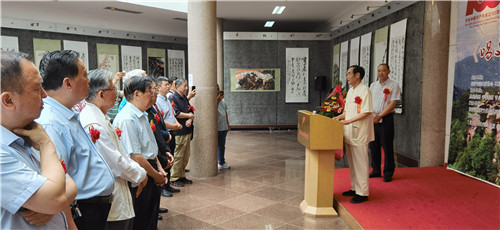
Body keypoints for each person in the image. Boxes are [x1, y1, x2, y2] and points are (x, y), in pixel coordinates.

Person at [36, 50, 115, 229]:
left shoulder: (66, 114)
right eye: (85, 74)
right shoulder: (52, 122)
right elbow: (57, 181)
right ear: (68, 83)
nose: (89, 80)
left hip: (91, 207)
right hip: (81, 210)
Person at [1, 51, 78, 229]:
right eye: (37, 88)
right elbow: (57, 198)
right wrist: (46, 144)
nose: (44, 94)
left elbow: (70, 185)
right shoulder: (37, 139)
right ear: (9, 100)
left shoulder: (30, 132)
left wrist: (49, 205)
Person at [79, 69, 148, 230]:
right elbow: (115, 162)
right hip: (110, 197)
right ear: (101, 94)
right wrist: (140, 174)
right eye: (113, 89)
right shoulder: (93, 123)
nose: (117, 93)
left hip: (118, 191)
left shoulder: (99, 116)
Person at [113, 76, 167, 230]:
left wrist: (160, 169)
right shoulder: (127, 119)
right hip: (142, 172)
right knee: (142, 219)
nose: (154, 95)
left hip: (151, 167)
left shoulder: (142, 114)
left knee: (151, 216)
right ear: (137, 94)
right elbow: (135, 156)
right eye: (151, 92)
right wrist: (155, 175)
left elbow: (149, 147)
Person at [333, 65, 374, 204]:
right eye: (347, 74)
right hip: (349, 131)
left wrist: (349, 120)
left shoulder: (365, 90)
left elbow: (367, 111)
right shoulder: (350, 91)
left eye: (349, 74)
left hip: (359, 131)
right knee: (352, 162)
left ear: (358, 75)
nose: (347, 77)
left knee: (361, 163)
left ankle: (362, 193)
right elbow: (349, 111)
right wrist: (339, 118)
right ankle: (354, 187)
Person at [369, 64, 401, 182]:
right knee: (373, 145)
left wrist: (380, 116)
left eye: (383, 70)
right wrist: (373, 115)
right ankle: (376, 170)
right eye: (379, 71)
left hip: (386, 119)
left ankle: (388, 172)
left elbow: (393, 104)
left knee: (387, 146)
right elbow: (369, 102)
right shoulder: (373, 85)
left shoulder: (394, 85)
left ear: (389, 71)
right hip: (373, 118)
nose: (381, 73)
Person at [155, 77, 182, 196]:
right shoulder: (157, 101)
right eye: (165, 85)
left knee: (171, 159)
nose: (168, 86)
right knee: (164, 160)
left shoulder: (167, 99)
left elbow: (171, 114)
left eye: (168, 84)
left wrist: (176, 124)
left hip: (172, 133)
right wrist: (173, 126)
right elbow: (160, 121)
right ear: (158, 87)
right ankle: (163, 187)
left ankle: (168, 185)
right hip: (165, 134)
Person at [170, 78, 194, 187]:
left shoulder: (184, 97)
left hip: (188, 130)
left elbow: (190, 110)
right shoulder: (173, 98)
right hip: (179, 132)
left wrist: (190, 119)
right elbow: (176, 113)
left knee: (185, 155)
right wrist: (188, 116)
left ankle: (182, 175)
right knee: (179, 155)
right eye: (184, 86)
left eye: (186, 85)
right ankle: (174, 177)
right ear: (177, 86)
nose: (186, 88)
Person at [217, 84, 231, 169]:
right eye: (216, 89)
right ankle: (217, 161)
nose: (218, 91)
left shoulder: (223, 100)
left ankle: (222, 161)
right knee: (217, 145)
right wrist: (217, 100)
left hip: (223, 126)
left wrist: (228, 123)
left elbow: (225, 112)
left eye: (218, 89)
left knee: (222, 145)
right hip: (216, 127)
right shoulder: (213, 100)